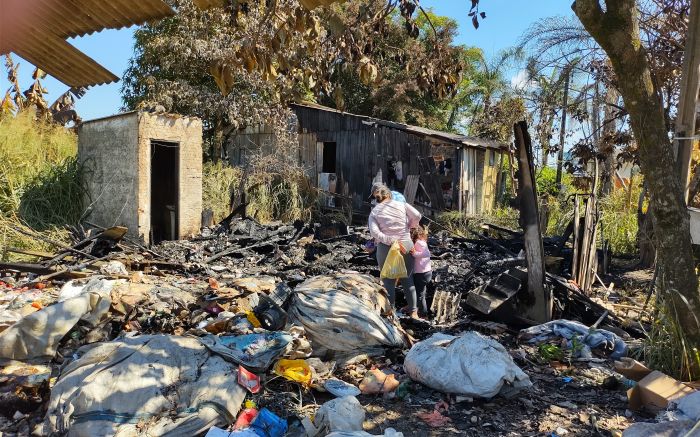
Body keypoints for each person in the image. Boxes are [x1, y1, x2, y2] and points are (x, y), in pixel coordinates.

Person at [368, 183, 422, 319]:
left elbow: (374, 232)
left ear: (376, 197)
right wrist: (410, 226)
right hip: (406, 244)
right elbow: (417, 215)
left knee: (388, 280)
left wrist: (390, 240)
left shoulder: (374, 211)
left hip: (386, 247)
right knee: (408, 279)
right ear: (389, 194)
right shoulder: (401, 204)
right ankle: (413, 311)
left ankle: (390, 312)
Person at [410, 226, 432, 317]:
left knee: (420, 295)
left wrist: (414, 254)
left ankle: (422, 313)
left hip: (421, 273)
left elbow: (427, 253)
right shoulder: (422, 242)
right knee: (422, 293)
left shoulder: (419, 242)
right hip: (426, 272)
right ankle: (423, 311)